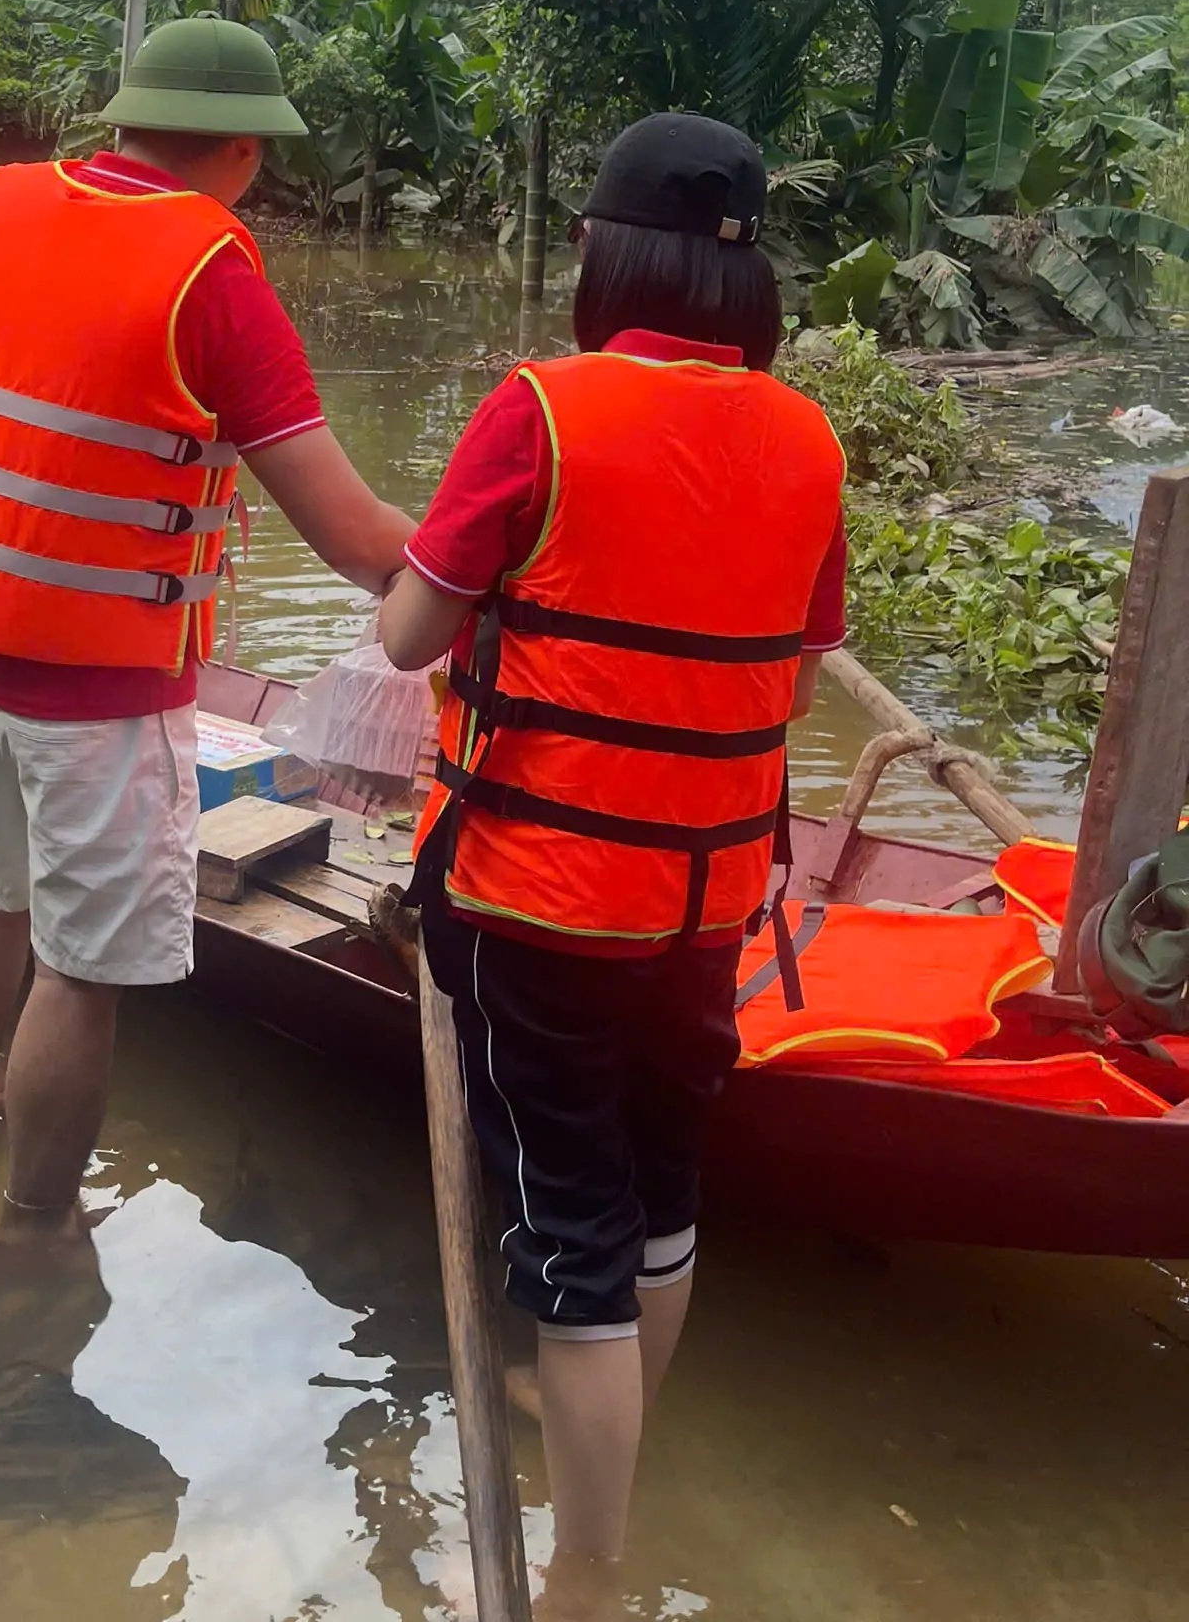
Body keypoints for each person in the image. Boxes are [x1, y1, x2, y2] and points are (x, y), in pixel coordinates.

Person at [379, 113, 847, 1615]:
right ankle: (620, 1460)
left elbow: (408, 633)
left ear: (603, 251)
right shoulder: (808, 433)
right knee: (661, 1193)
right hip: (710, 896)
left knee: (569, 1227)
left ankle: (589, 1571)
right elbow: (802, 662)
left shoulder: (543, 408)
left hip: (540, 897)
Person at [0, 15, 416, 1242]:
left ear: (121, 119)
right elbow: (357, 540)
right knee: (84, 970)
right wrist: (472, 575)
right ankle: (34, 1232)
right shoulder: (214, 274)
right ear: (245, 153)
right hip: (101, 691)